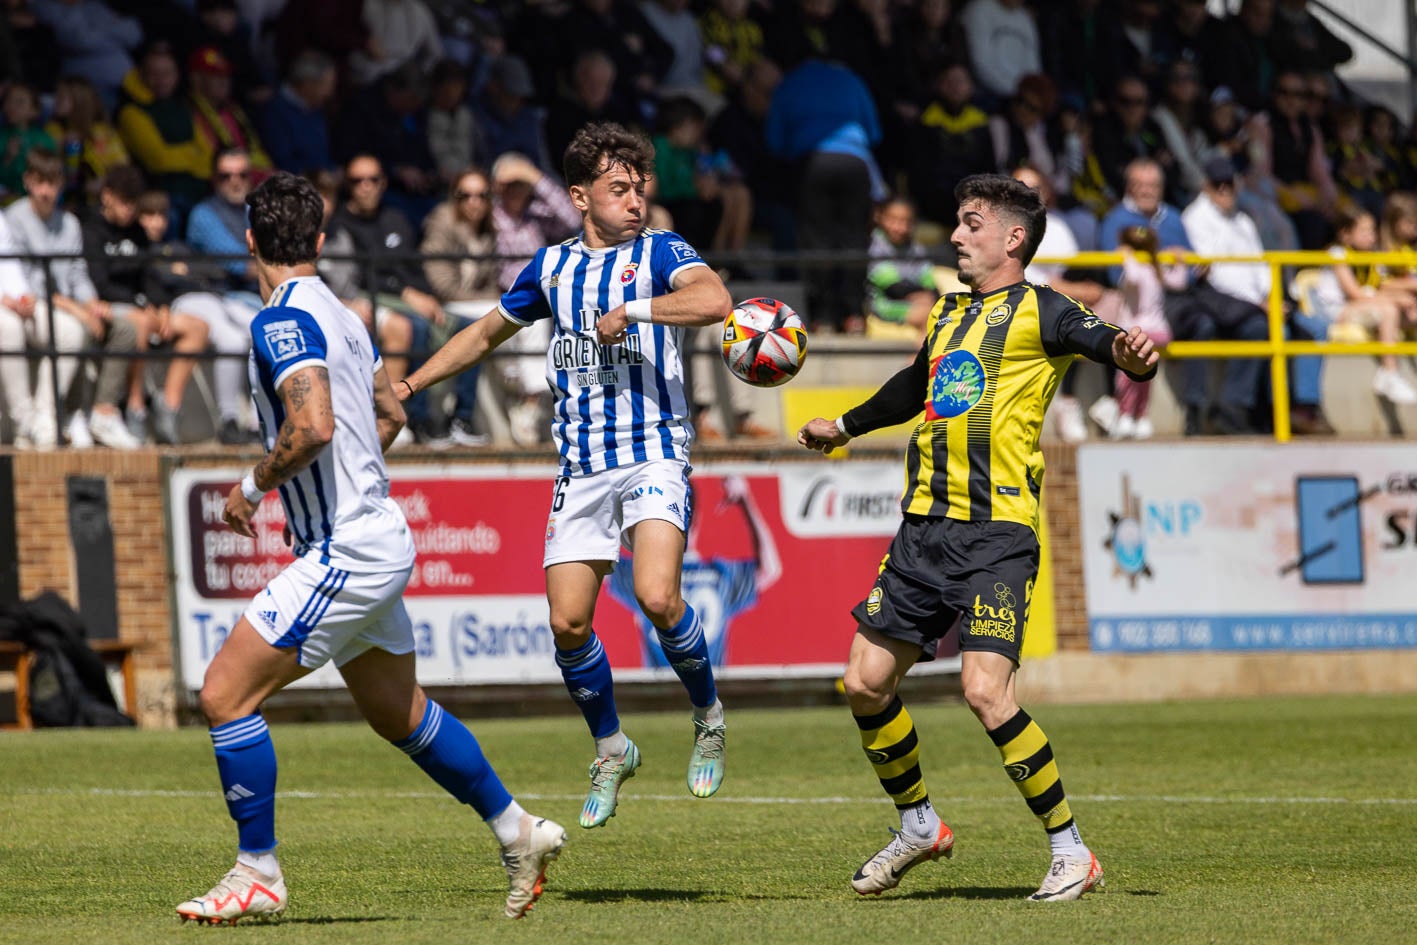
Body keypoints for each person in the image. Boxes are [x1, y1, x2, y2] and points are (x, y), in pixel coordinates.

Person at [175, 172, 565, 925]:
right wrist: (344, 475)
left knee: (224, 694)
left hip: (346, 546)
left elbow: (314, 423)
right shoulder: (350, 316)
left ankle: (257, 871)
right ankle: (518, 829)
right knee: (397, 712)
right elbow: (387, 413)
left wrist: (254, 488)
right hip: (374, 534)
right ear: (320, 242)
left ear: (249, 239)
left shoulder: (279, 320)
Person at [797, 173, 1158, 901]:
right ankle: (918, 824)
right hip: (922, 529)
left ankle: (1070, 850)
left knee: (984, 691)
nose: (955, 235)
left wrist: (1130, 353)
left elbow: (1101, 341)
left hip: (994, 534)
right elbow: (913, 385)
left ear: (1011, 237)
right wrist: (843, 426)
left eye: (969, 223)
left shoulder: (1043, 309)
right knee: (863, 683)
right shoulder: (949, 312)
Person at [395, 122, 734, 823]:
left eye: (639, 188)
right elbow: (484, 332)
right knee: (567, 621)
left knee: (658, 595)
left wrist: (633, 310)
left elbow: (714, 301)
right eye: (618, 189)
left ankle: (707, 714)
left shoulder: (660, 251)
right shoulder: (550, 268)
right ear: (580, 196)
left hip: (651, 451)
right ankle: (612, 747)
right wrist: (410, 384)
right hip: (581, 464)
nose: (634, 200)